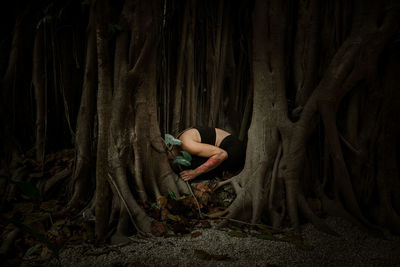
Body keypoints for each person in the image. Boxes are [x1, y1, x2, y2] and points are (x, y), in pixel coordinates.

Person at [167, 126, 246, 181]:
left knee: (192, 169)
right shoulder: (179, 142)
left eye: (170, 159)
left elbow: (222, 154)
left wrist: (194, 173)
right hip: (227, 150)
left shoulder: (186, 144)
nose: (172, 161)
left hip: (234, 152)